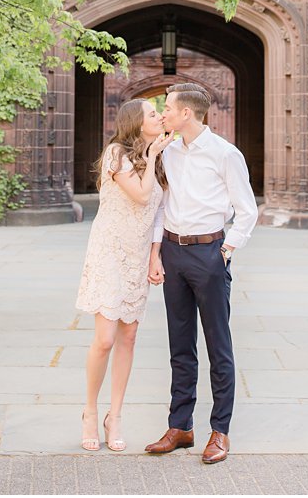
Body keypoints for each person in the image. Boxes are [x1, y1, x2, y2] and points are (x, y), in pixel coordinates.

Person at [143, 81, 258, 465]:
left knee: (218, 346)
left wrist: (225, 251)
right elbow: (160, 205)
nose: (164, 114)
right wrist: (157, 253)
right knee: (180, 346)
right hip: (174, 254)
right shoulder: (169, 152)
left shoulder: (225, 154)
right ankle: (181, 427)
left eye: (168, 108)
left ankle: (220, 431)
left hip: (210, 253)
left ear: (186, 113)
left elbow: (247, 210)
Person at [75, 98, 175, 452]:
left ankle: (114, 415)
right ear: (137, 122)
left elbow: (158, 213)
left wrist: (154, 256)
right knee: (104, 338)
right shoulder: (117, 154)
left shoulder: (158, 160)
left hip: (136, 256)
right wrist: (150, 157)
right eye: (153, 113)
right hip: (109, 252)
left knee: (129, 337)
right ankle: (90, 411)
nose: (160, 116)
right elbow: (141, 194)